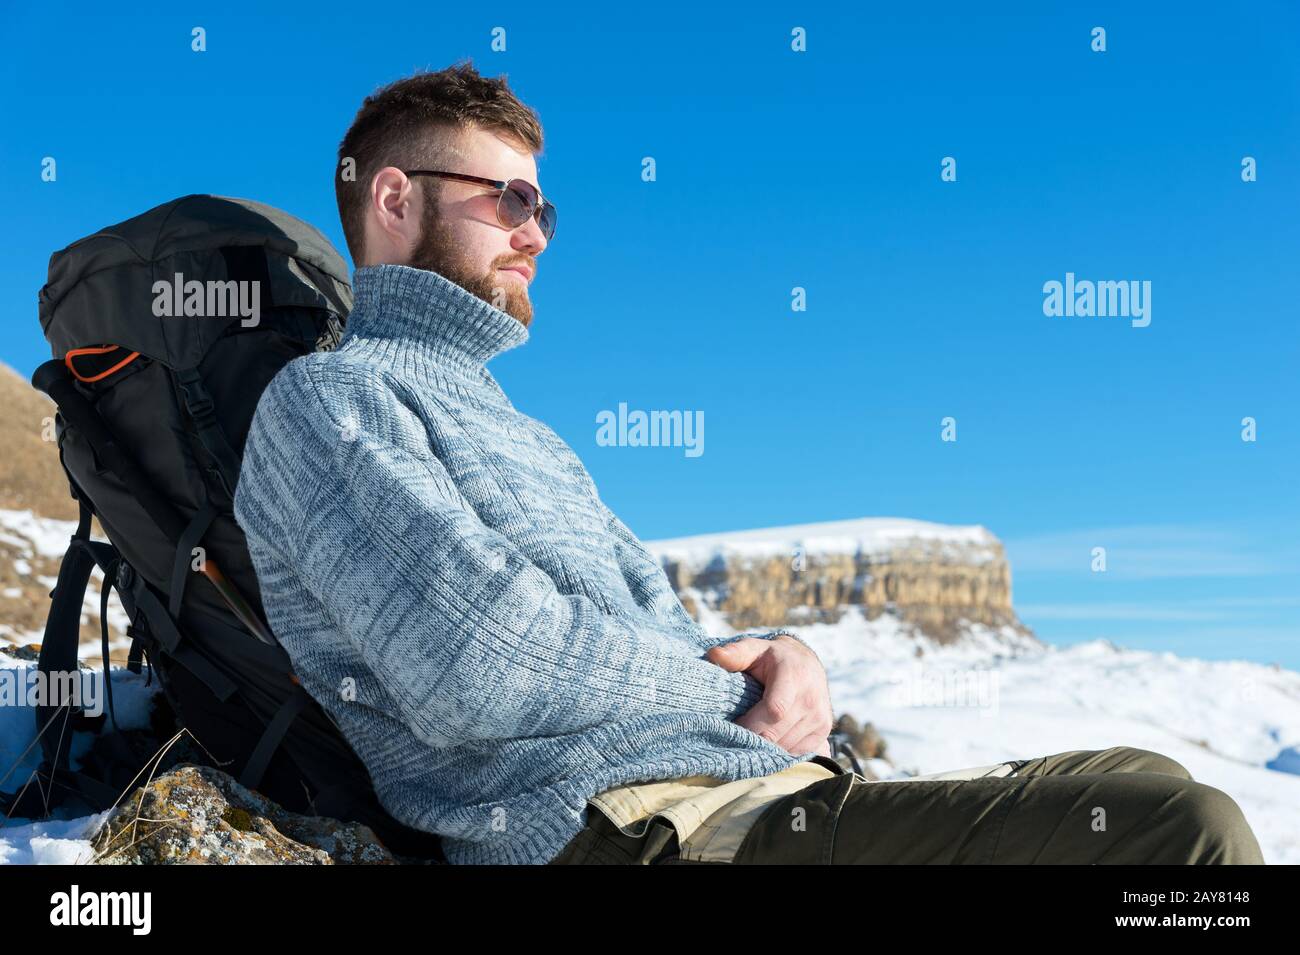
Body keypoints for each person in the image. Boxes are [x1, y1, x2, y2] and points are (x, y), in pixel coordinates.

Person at [233, 61, 1264, 866]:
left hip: (737, 798)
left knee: (1137, 774)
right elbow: (484, 667)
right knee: (1175, 829)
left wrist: (777, 654)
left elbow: (660, 638)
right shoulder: (331, 404)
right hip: (615, 834)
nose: (536, 234)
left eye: (543, 209)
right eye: (506, 201)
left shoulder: (530, 437)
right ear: (396, 199)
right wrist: (735, 692)